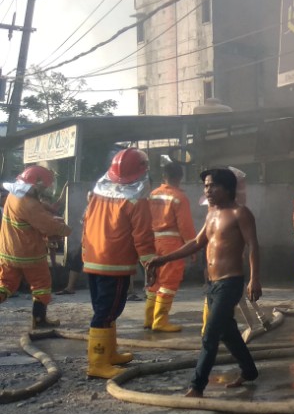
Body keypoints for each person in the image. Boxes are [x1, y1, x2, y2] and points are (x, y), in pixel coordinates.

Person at [146, 168, 260, 398]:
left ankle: (197, 386)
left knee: (210, 335)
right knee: (228, 333)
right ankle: (249, 371)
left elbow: (254, 246)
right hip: (213, 284)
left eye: (212, 186)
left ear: (227, 188)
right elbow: (197, 242)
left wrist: (254, 279)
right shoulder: (211, 214)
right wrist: (162, 259)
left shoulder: (240, 213)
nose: (207, 190)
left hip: (231, 282)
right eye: (206, 186)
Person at [82, 148, 157, 379]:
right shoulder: (137, 200)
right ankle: (98, 363)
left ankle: (109, 353)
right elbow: (143, 236)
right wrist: (150, 264)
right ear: (143, 171)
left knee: (104, 310)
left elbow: (85, 221)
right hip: (115, 264)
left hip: (93, 260)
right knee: (107, 311)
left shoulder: (97, 192)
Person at [0, 166, 72, 328]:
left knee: (5, 285)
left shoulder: (14, 196)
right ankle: (39, 320)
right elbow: (47, 225)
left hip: (8, 251)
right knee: (41, 286)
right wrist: (66, 230)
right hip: (29, 253)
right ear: (36, 184)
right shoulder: (29, 204)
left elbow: (36, 213)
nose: (44, 189)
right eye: (43, 186)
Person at [144, 161, 197, 332]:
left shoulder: (152, 195)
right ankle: (160, 321)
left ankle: (149, 318)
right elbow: (185, 226)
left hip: (153, 242)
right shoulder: (179, 197)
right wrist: (192, 246)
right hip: (171, 244)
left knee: (154, 280)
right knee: (169, 281)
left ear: (163, 176)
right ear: (180, 177)